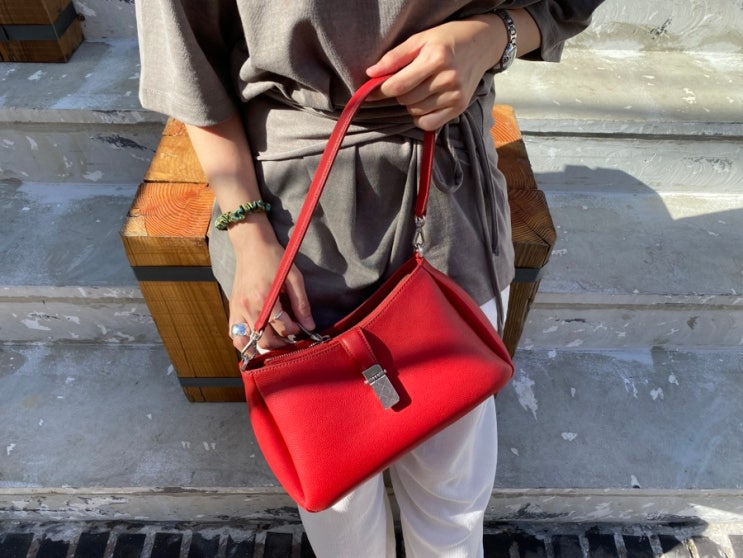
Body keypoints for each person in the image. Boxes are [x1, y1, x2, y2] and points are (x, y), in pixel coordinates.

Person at [136, 1, 603, 555]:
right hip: (290, 230)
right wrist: (248, 234)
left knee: (451, 483)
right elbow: (189, 62)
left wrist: (492, 36)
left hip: (446, 201)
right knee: (338, 496)